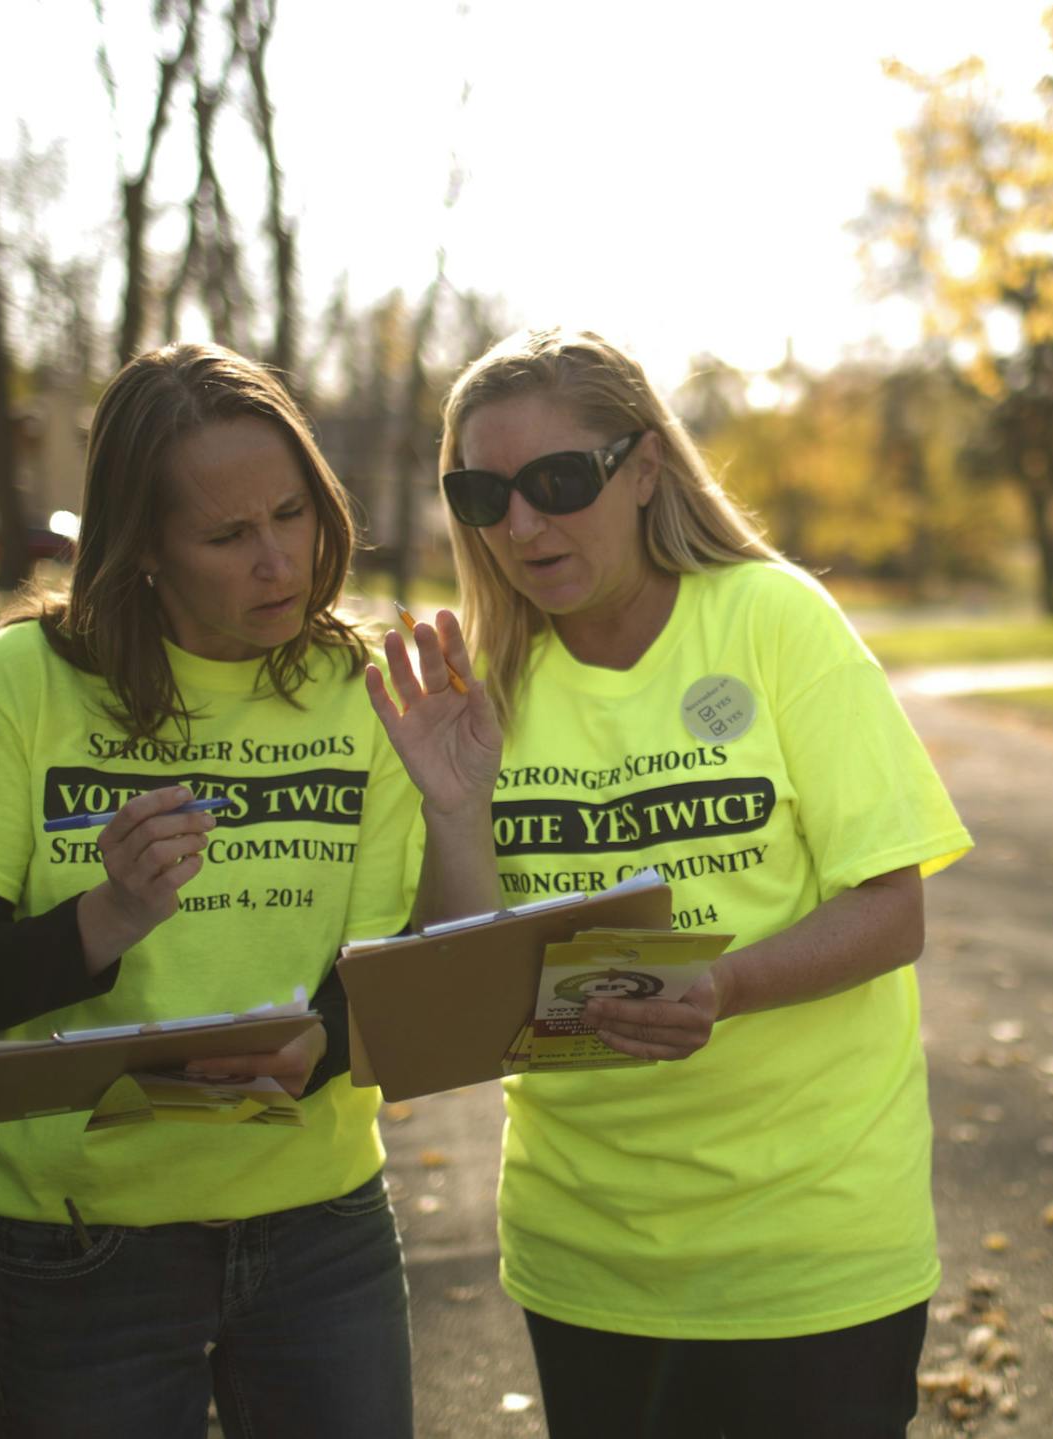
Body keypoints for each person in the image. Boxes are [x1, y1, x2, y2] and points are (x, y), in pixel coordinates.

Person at [0, 343, 500, 1438]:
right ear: (143, 548)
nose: (279, 562)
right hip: (81, 1243)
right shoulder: (22, 684)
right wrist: (106, 918)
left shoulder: (362, 687)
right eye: (227, 535)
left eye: (292, 514)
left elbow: (435, 990)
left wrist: (452, 814)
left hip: (319, 1227)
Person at [394, 327, 972, 1438]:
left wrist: (730, 985)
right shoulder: (485, 683)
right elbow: (469, 995)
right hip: (589, 1251)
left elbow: (893, 909)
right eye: (484, 492)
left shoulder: (772, 619)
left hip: (812, 1243)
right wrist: (454, 805)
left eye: (559, 482)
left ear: (645, 468)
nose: (522, 524)